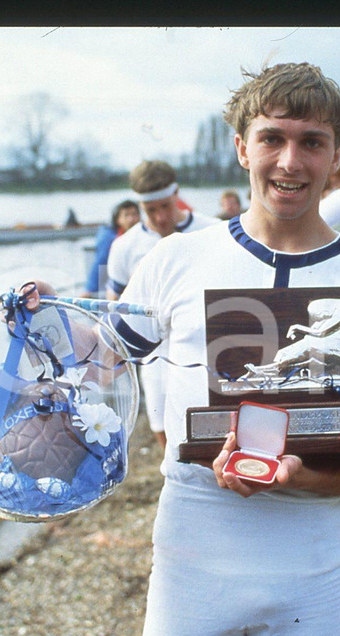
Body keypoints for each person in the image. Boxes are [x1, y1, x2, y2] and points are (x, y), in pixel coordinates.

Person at [34, 62, 340, 636]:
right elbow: (94, 371)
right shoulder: (174, 260)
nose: (290, 161)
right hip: (189, 567)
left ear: (335, 156)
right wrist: (41, 320)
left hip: (312, 577)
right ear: (243, 148)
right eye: (272, 138)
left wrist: (302, 476)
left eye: (311, 142)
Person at [105, 160, 216, 449]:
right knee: (160, 422)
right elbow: (114, 303)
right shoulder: (124, 246)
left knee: (207, 423)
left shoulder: (214, 232)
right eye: (151, 210)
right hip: (153, 352)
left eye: (166, 206)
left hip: (202, 347)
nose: (161, 217)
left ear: (177, 194)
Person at [81, 200, 140, 298]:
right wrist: (90, 289)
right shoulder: (109, 238)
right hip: (111, 285)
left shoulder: (142, 235)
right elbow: (100, 263)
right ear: (118, 219)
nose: (131, 219)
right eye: (126, 215)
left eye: (134, 215)